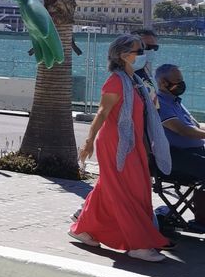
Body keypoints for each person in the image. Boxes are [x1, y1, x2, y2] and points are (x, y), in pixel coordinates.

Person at [70, 34, 173, 262]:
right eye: (139, 50)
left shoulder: (134, 81)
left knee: (114, 187)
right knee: (127, 190)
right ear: (123, 55)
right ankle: (138, 244)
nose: (142, 54)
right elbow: (102, 113)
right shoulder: (116, 81)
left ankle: (83, 229)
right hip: (116, 143)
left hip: (131, 143)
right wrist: (88, 142)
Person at [154, 63, 205, 185]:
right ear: (163, 82)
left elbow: (196, 127)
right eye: (177, 81)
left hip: (195, 152)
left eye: (181, 80)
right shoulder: (159, 103)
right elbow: (183, 130)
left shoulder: (175, 102)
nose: (181, 84)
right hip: (177, 156)